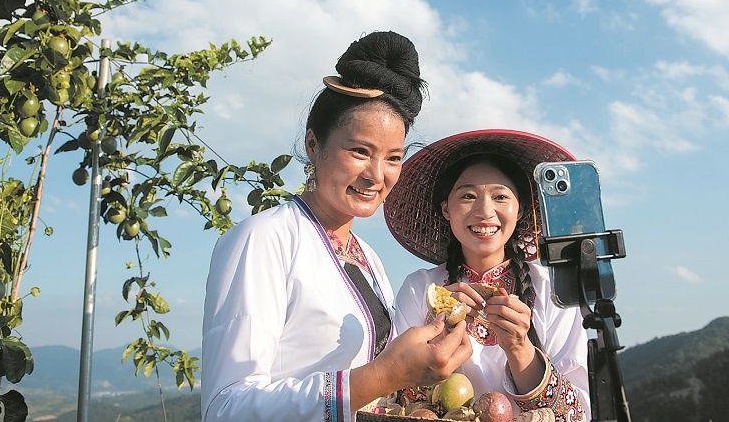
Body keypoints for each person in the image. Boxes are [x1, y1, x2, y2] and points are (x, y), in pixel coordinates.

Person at [201, 31, 472, 422]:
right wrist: (384, 374)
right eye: (360, 151)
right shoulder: (264, 240)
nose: (376, 175)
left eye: (393, 158)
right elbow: (227, 407)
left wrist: (438, 329)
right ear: (314, 144)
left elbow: (384, 384)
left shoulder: (370, 260)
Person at [384, 130, 591, 421]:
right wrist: (437, 332)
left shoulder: (553, 291)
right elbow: (394, 402)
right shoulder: (420, 289)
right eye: (468, 196)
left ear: (520, 210)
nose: (485, 211)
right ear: (446, 209)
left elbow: (578, 414)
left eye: (500, 196)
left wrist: (519, 348)